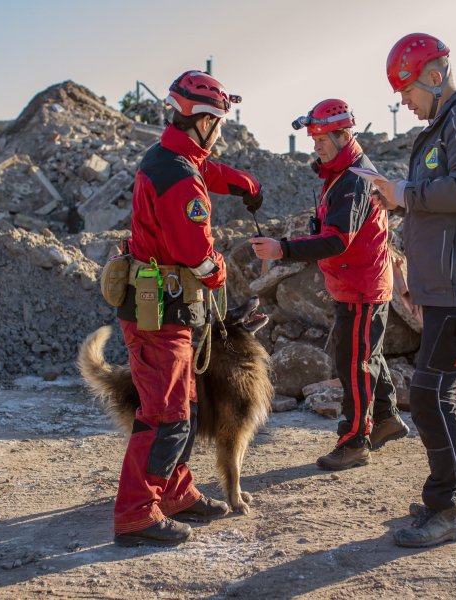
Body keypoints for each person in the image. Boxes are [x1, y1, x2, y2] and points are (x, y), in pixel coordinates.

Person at [112, 70, 264, 546]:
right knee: (165, 417)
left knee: (182, 409)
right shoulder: (179, 180)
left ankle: (176, 493)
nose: (219, 134)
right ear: (203, 121)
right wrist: (219, 268)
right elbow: (197, 256)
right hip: (163, 314)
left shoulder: (172, 159)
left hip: (169, 312)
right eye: (218, 124)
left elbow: (204, 169)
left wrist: (242, 182)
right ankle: (137, 512)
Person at [372, 34, 456, 548]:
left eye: (406, 90)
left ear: (433, 75)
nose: (404, 103)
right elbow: (440, 207)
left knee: (430, 395)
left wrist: (404, 193)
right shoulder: (445, 125)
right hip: (449, 285)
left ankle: (446, 506)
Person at [249, 98, 410, 471]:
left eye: (322, 138)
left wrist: (282, 249)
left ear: (343, 134)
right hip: (359, 283)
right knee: (365, 356)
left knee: (355, 364)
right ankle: (385, 420)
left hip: (361, 286)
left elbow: (339, 239)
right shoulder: (342, 174)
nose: (316, 145)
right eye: (314, 138)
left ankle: (354, 442)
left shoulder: (352, 178)